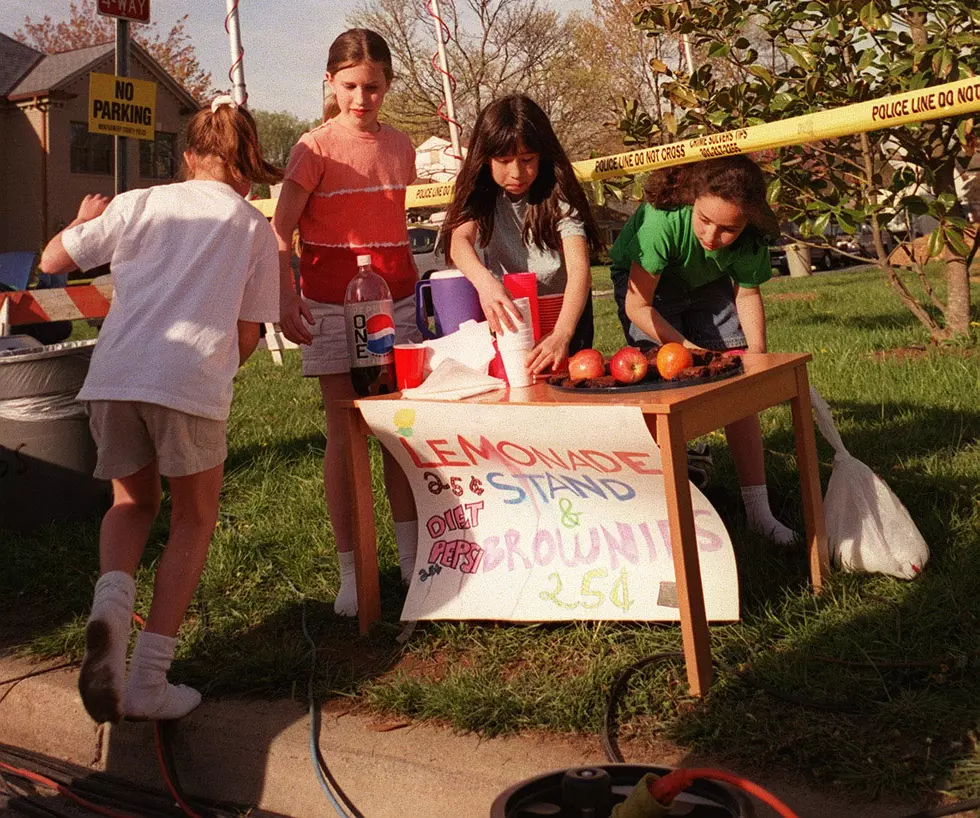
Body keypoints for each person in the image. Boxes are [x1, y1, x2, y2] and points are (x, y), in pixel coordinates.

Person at [37, 97, 282, 722]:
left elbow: (53, 261)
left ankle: (110, 609)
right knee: (194, 520)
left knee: (131, 503)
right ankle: (148, 680)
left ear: (189, 157)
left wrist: (79, 218)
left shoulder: (139, 201)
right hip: (187, 382)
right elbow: (249, 332)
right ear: (244, 166)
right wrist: (219, 372)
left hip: (114, 376)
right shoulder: (253, 226)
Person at [272, 29, 419, 616]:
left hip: (398, 303)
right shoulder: (313, 148)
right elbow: (279, 231)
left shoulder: (403, 147)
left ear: (388, 85)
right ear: (330, 84)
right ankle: (354, 571)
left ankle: (414, 562)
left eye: (375, 87)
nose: (363, 98)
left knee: (397, 427)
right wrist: (287, 299)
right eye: (351, 87)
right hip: (332, 303)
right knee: (345, 429)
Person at [610, 155, 797, 545]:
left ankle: (758, 513)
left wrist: (757, 356)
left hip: (708, 280)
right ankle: (665, 507)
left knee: (738, 387)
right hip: (650, 288)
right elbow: (637, 306)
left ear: (748, 221)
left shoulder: (751, 237)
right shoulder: (661, 222)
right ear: (693, 200)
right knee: (664, 382)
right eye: (704, 220)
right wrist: (689, 348)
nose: (712, 236)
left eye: (728, 229)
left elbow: (746, 292)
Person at [442, 94, 603, 375]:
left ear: (542, 153)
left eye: (527, 159)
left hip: (565, 314)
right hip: (513, 314)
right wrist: (486, 284)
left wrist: (562, 335)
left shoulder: (558, 189)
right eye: (504, 160)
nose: (516, 173)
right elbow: (459, 242)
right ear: (485, 159)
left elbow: (579, 271)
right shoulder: (478, 190)